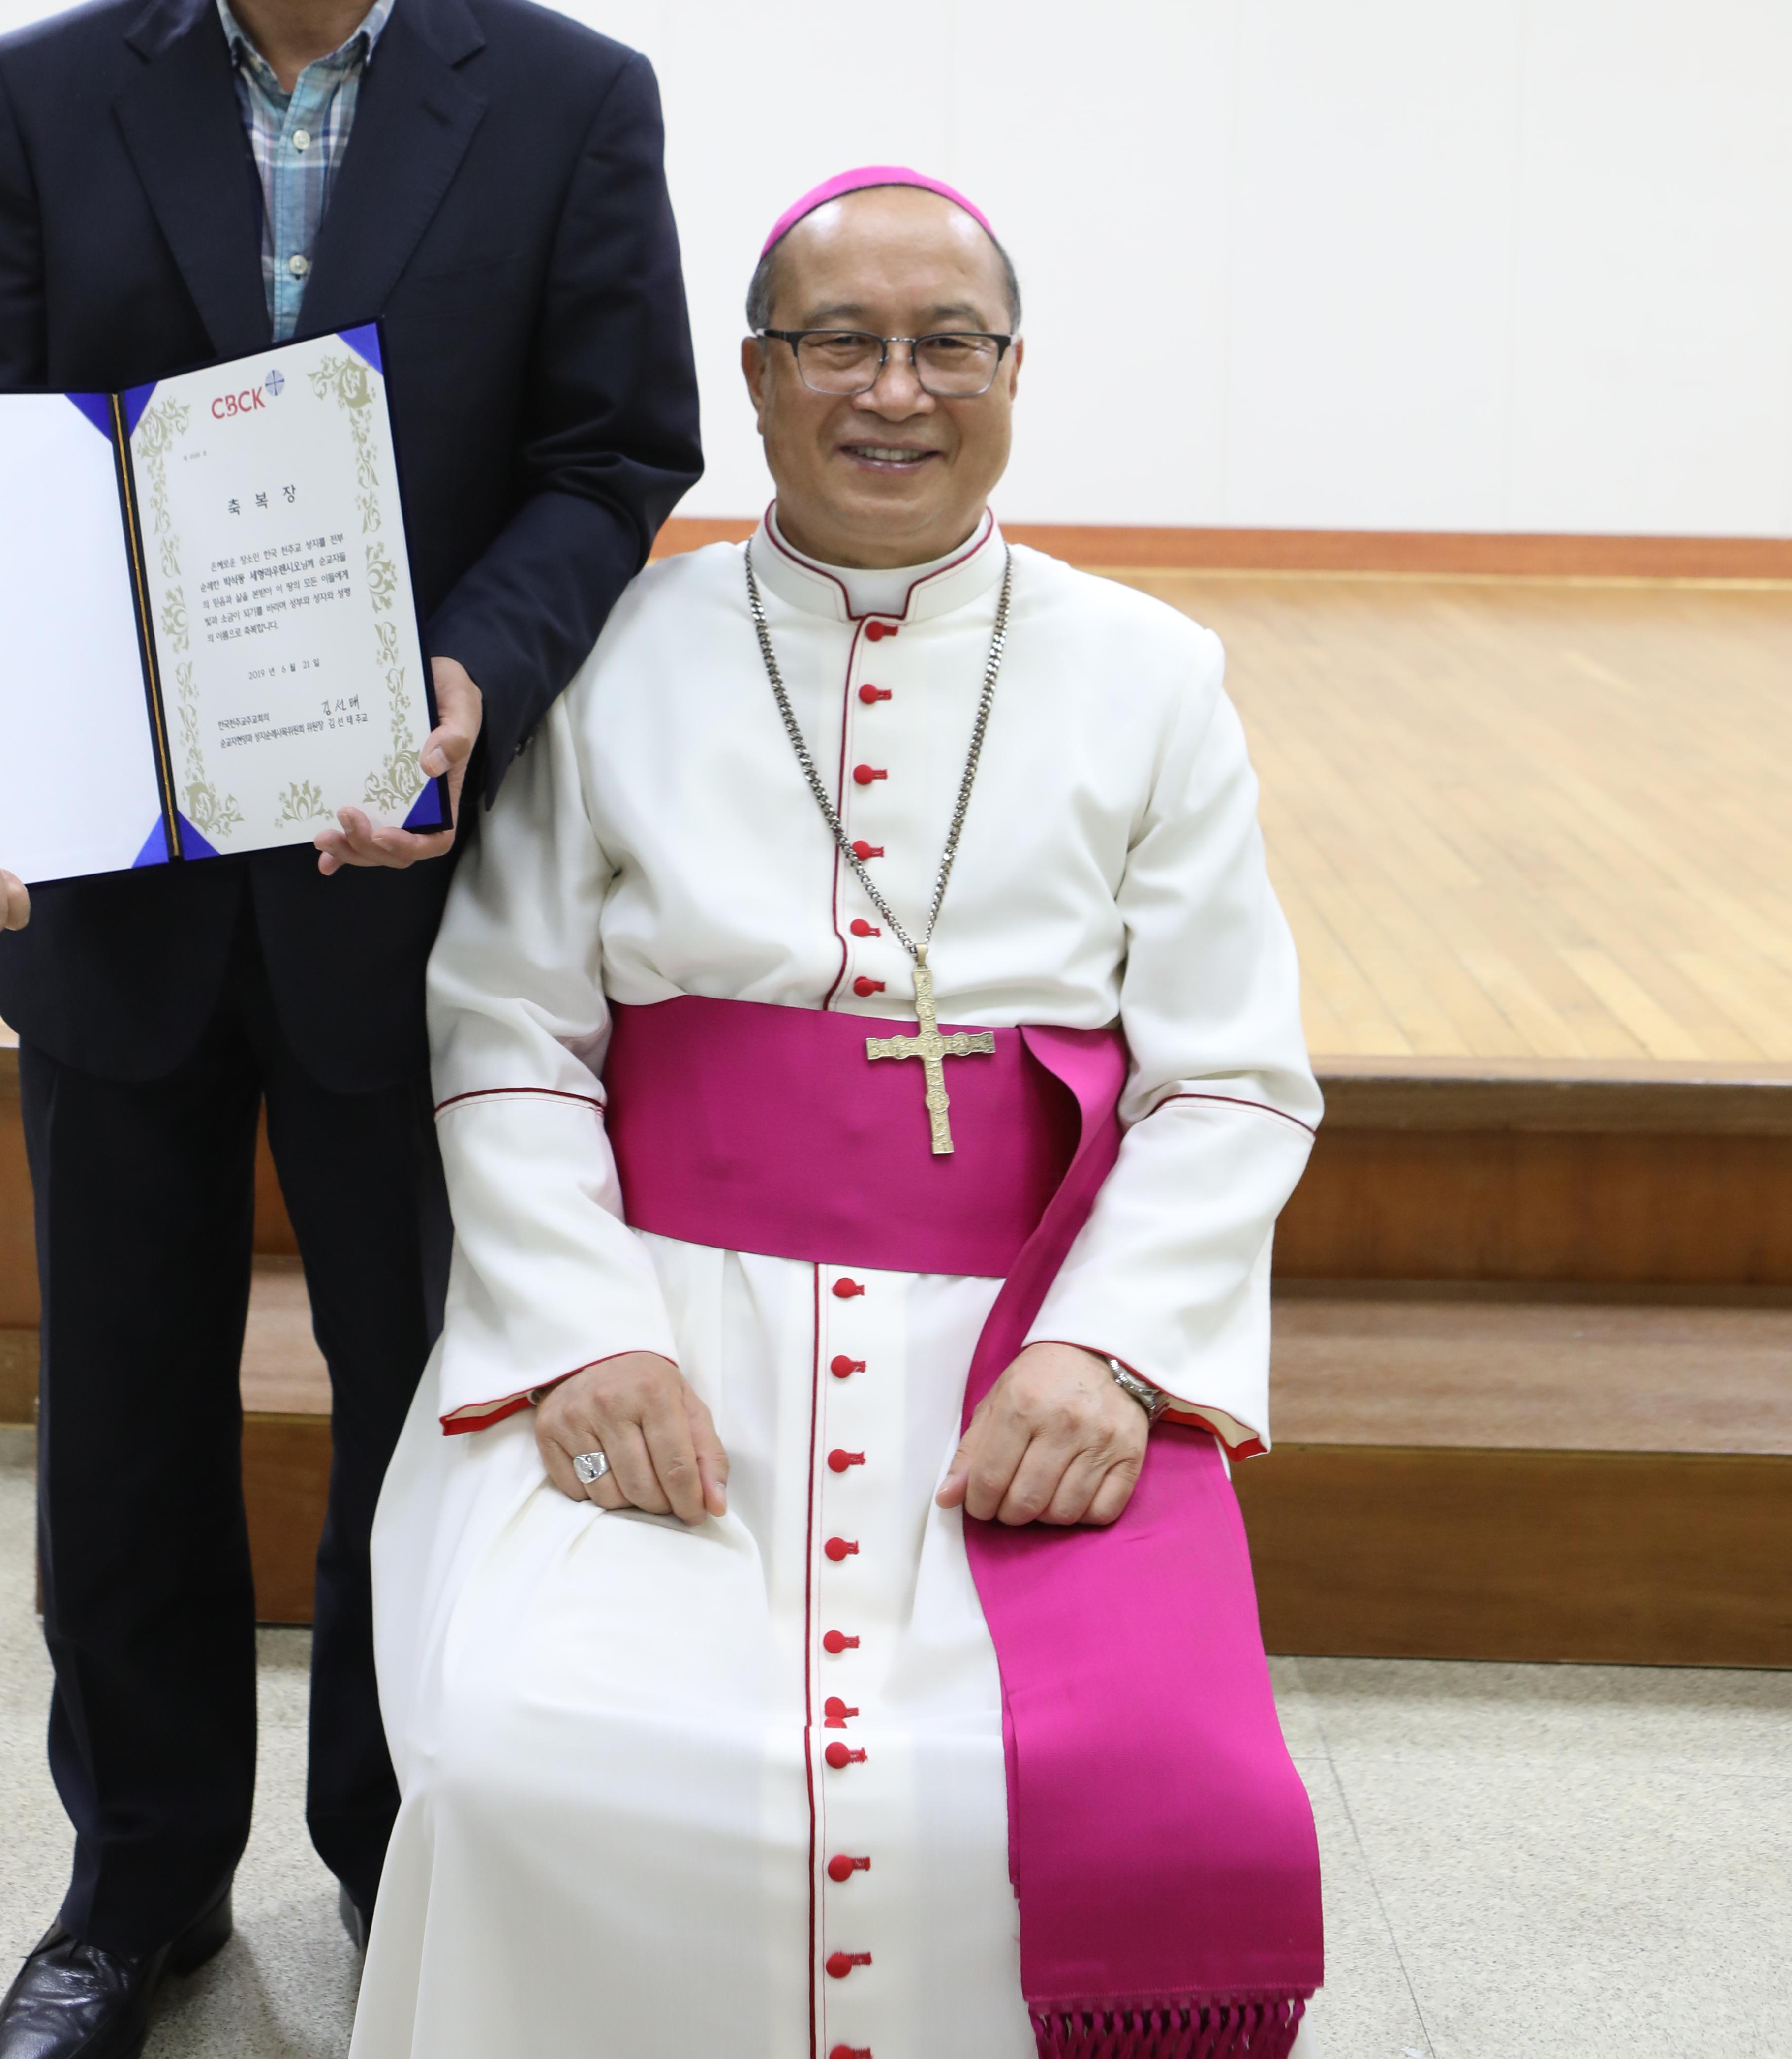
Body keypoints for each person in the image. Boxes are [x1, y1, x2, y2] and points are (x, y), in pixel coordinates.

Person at [0, 0, 701, 2059]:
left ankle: (407, 1860)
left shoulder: (569, 98)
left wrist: (468, 679)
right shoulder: (41, 91)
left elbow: (612, 449)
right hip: (112, 901)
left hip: (414, 891)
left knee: (426, 1406)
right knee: (120, 1420)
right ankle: (136, 1896)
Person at [353, 166, 1326, 2059]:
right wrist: (587, 1333)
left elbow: (1231, 1075)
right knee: (524, 1761)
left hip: (1015, 1346)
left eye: (947, 345)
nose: (895, 390)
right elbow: (506, 1032)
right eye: (839, 344)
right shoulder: (614, 649)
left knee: (1089, 1791)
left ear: (1016, 372)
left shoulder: (1152, 675)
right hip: (666, 1318)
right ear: (755, 373)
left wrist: (1111, 1354)